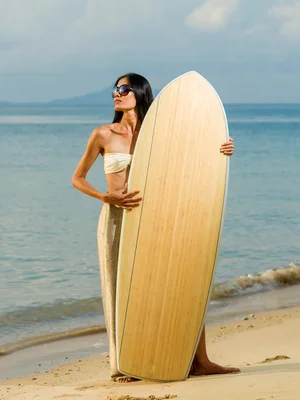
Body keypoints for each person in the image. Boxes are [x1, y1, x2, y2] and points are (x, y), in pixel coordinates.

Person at [71, 73, 240, 383]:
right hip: (117, 219)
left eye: (123, 89)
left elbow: (193, 156)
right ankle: (125, 363)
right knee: (119, 290)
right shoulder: (103, 134)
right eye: (114, 90)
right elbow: (77, 178)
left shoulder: (159, 133)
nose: (116, 94)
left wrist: (223, 149)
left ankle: (199, 360)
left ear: (139, 92)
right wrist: (104, 196)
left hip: (156, 218)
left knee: (182, 281)